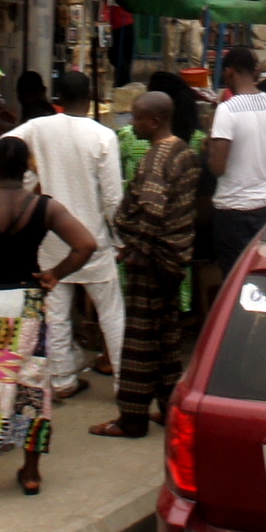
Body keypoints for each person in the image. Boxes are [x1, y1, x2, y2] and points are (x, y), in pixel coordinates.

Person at [0, 136, 97, 501]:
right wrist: (55, 273)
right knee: (30, 386)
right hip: (27, 305)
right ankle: (31, 472)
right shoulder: (46, 207)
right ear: (27, 168)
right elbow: (86, 244)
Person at [11, 70, 125, 403]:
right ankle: (123, 384)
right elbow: (112, 198)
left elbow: (1, 147)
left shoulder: (38, 128)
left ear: (58, 98)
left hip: (52, 238)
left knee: (56, 311)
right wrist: (120, 239)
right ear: (89, 98)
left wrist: (30, 180)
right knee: (111, 313)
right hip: (92, 239)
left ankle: (62, 380)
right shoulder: (103, 136)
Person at [104, 91, 199, 438]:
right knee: (166, 337)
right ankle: (169, 407)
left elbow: (152, 211)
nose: (133, 124)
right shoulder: (184, 152)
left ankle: (132, 418)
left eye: (137, 118)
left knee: (140, 341)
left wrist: (135, 249)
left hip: (151, 260)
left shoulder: (155, 159)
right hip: (175, 259)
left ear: (155, 121)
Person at [203, 49, 266, 282]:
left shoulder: (227, 110)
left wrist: (209, 146)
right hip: (263, 208)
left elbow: (218, 168)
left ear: (229, 73)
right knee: (259, 278)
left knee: (234, 280)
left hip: (231, 211)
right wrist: (260, 149)